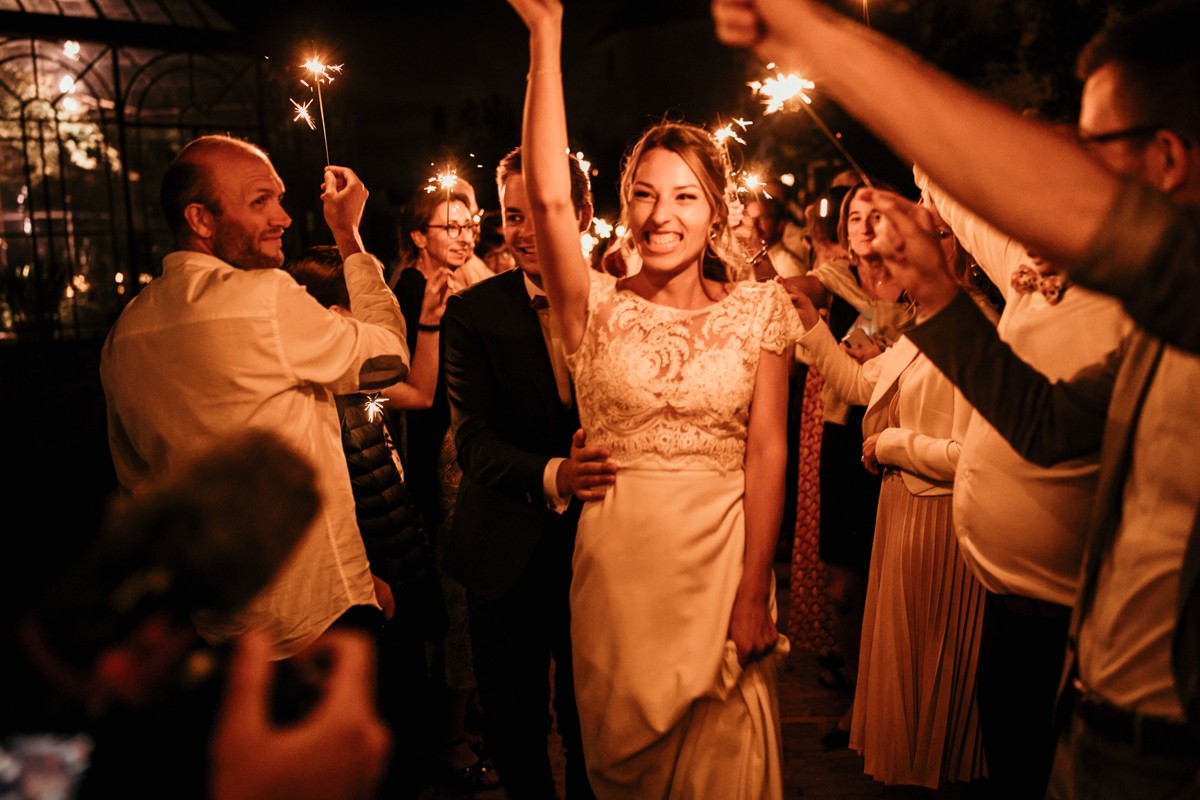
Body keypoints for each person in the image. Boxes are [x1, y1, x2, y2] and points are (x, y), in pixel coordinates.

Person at [712, 1, 1200, 796]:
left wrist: (824, 38)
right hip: (1088, 698)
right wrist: (935, 292)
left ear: (1169, 157)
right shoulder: (1156, 330)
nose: (1075, 169)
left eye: (1095, 146)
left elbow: (1002, 189)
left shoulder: (1177, 293)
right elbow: (1045, 424)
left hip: (1170, 749)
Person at [509, 1, 801, 796]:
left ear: (716, 214)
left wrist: (753, 591)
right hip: (618, 571)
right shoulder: (591, 304)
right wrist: (546, 40)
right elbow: (548, 200)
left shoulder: (759, 311)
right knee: (620, 770)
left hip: (722, 569)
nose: (660, 215)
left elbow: (768, 450)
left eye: (684, 197)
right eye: (644, 195)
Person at [100, 135, 408, 659]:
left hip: (216, 631)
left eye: (281, 198)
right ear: (200, 219)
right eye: (261, 201)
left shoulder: (123, 336)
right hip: (317, 618)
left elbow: (138, 488)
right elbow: (389, 358)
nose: (284, 217)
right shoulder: (266, 300)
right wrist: (348, 234)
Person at [915, 166, 1131, 797]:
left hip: (1081, 632)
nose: (1023, 214)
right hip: (1005, 610)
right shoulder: (1030, 266)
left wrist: (933, 294)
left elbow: (1046, 424)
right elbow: (957, 184)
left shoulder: (1147, 307)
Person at [786, 201, 991, 790]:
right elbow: (855, 383)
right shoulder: (927, 324)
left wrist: (893, 445)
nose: (906, 249)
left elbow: (973, 456)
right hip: (902, 517)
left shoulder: (977, 330)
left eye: (935, 235)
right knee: (908, 682)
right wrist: (808, 319)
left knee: (938, 691)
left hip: (941, 525)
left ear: (965, 250)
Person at [441, 146, 610, 799]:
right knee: (514, 730)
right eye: (514, 216)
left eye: (544, 211)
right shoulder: (473, 313)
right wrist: (555, 473)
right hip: (502, 551)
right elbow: (474, 440)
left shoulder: (627, 304)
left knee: (592, 722)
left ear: (585, 212)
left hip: (601, 552)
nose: (526, 231)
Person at [285, 244, 451, 798]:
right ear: (335, 314)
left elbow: (423, 393)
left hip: (397, 540)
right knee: (386, 702)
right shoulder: (314, 390)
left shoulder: (360, 378)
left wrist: (427, 324)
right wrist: (366, 577)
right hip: (368, 566)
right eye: (364, 302)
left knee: (410, 691)